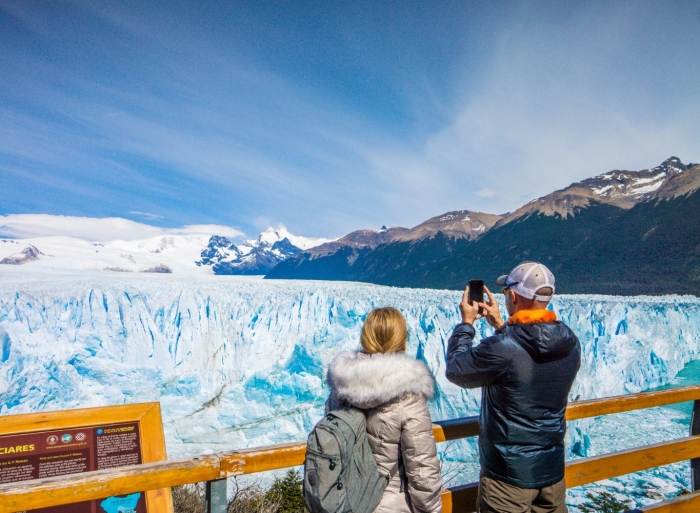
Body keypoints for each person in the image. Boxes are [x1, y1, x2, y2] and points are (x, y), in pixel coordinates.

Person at [445, 262, 581, 513]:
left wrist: (466, 325)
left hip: (508, 480)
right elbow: (527, 356)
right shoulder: (570, 342)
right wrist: (502, 326)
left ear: (514, 296)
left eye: (506, 293)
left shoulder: (502, 348)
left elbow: (457, 369)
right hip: (551, 475)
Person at [326, 307, 443, 513]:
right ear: (403, 342)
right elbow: (423, 472)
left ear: (365, 339)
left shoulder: (340, 389)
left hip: (345, 503)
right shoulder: (409, 397)